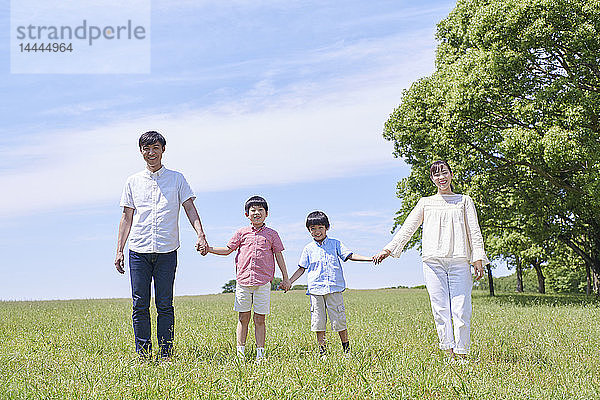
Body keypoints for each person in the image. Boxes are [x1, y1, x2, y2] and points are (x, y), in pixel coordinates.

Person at [373, 160, 488, 363]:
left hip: (459, 260)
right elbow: (408, 227)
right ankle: (449, 353)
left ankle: (462, 354)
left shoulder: (464, 201)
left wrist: (477, 257)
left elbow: (474, 231)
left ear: (451, 174)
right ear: (432, 179)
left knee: (461, 308)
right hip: (433, 262)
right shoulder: (425, 202)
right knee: (440, 309)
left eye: (444, 173)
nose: (441, 177)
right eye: (436, 175)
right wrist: (388, 249)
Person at [114, 131, 209, 360]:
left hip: (167, 250)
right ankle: (144, 354)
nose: (151, 153)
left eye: (155, 148)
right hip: (138, 250)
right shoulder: (132, 181)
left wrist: (200, 235)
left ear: (163, 150)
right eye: (146, 149)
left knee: (165, 304)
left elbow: (189, 208)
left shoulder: (177, 178)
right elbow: (127, 217)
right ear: (141, 152)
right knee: (140, 304)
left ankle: (166, 353)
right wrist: (119, 250)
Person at [207, 195, 291, 362]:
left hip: (263, 282)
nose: (257, 213)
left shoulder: (272, 234)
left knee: (260, 319)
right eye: (253, 210)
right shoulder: (241, 233)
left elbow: (279, 256)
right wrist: (208, 249)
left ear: (267, 214)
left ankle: (260, 355)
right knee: (243, 317)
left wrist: (286, 278)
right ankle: (240, 355)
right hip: (243, 282)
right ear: (247, 214)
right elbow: (227, 249)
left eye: (261, 210)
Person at [288, 211, 372, 357]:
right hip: (315, 290)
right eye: (313, 229)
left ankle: (346, 351)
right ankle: (323, 353)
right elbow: (302, 268)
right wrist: (289, 282)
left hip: (334, 288)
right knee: (318, 322)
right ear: (309, 230)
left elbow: (350, 256)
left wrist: (369, 259)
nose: (317, 231)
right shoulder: (308, 249)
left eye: (320, 227)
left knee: (339, 320)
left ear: (327, 227)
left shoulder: (335, 244)